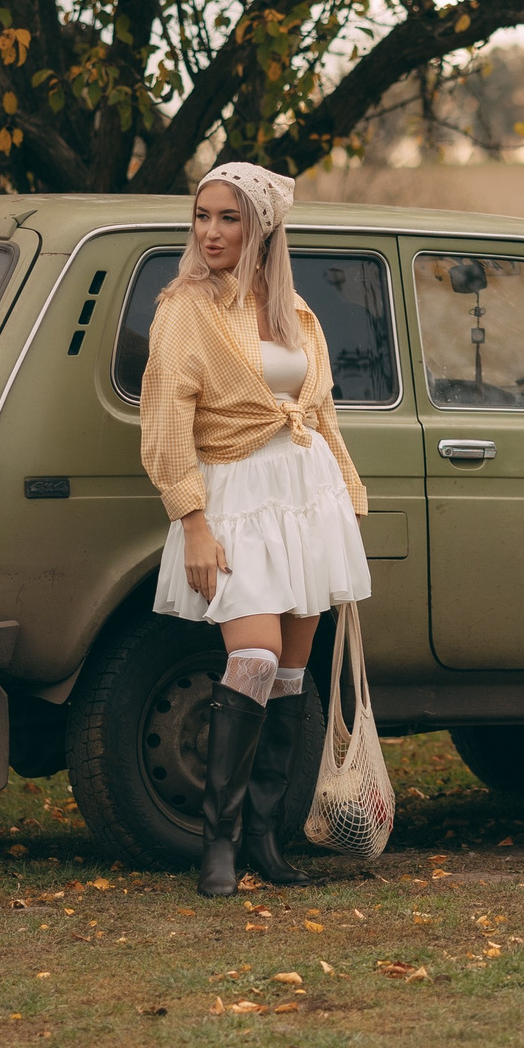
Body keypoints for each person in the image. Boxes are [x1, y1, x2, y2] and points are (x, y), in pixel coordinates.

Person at [140, 161, 370, 896]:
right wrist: (193, 520)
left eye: (227, 217)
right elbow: (166, 420)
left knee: (293, 676)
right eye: (202, 216)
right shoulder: (183, 308)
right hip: (234, 496)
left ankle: (267, 842)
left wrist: (348, 497)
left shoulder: (296, 313)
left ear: (261, 226)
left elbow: (321, 410)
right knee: (257, 658)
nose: (210, 231)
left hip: (306, 496)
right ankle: (219, 842)